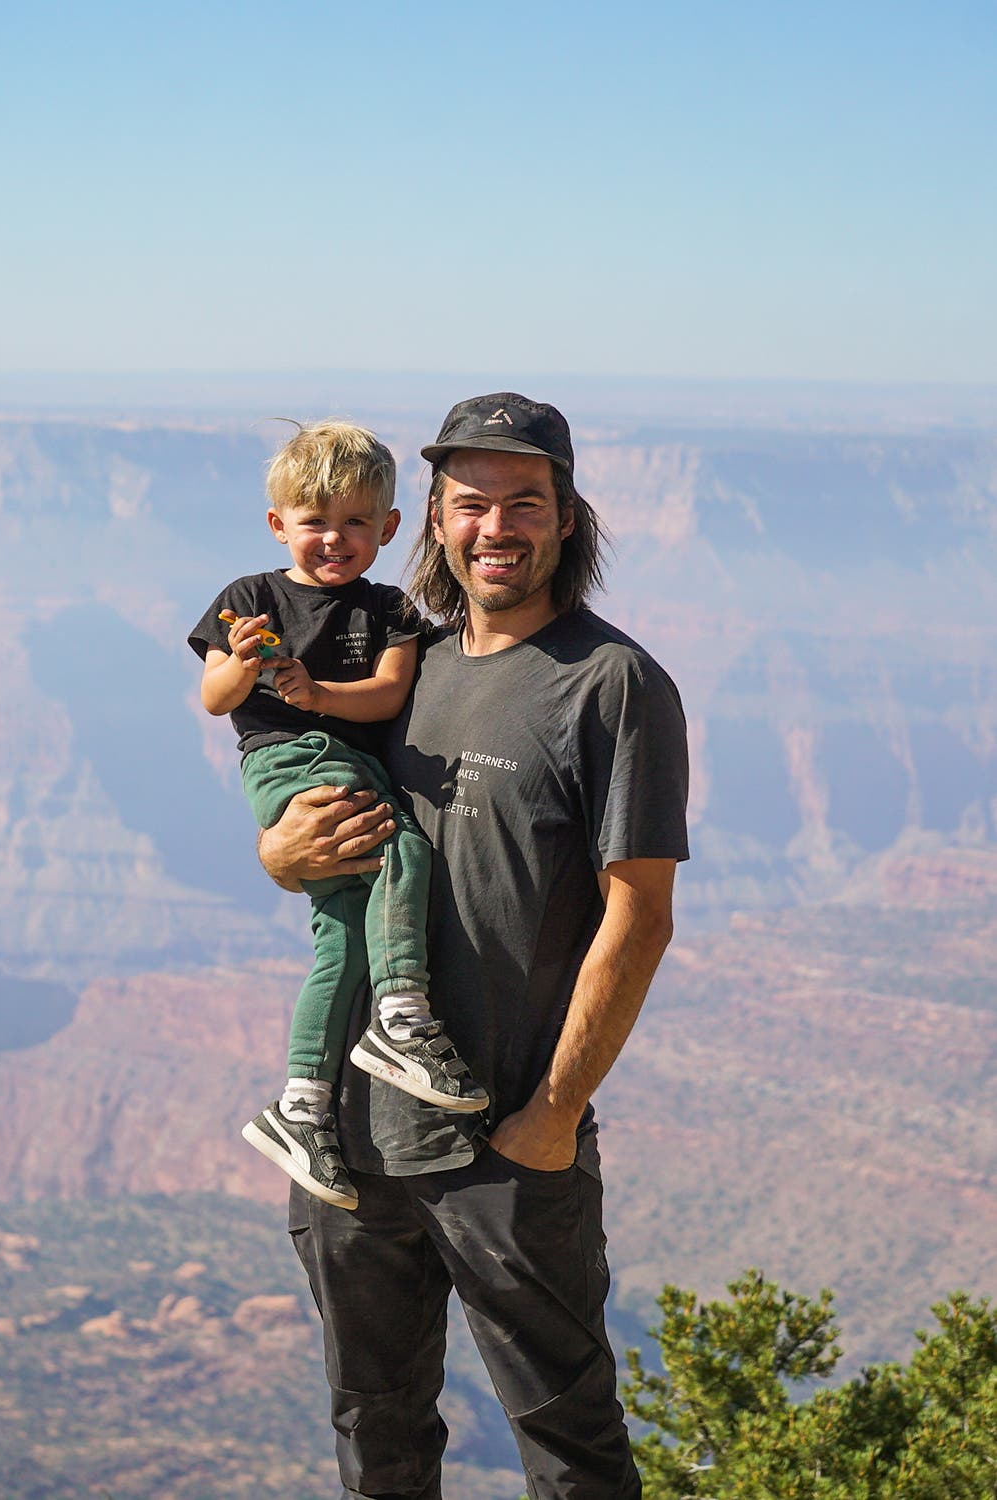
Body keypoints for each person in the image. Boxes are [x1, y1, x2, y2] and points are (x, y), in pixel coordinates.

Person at [257, 393, 689, 1500]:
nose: (497, 528)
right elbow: (317, 823)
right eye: (471, 505)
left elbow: (637, 914)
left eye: (524, 504)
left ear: (566, 518)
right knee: (378, 1430)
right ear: (434, 523)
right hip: (351, 1144)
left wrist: (549, 1118)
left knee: (569, 1442)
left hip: (502, 1139)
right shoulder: (404, 663)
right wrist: (280, 855)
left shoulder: (612, 685)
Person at [188, 420, 488, 1214]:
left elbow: (389, 690)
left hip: (332, 741)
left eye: (357, 522)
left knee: (341, 946)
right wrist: (247, 663)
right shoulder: (248, 600)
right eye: (315, 521)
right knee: (403, 854)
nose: (335, 539)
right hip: (291, 762)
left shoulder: (389, 608)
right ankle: (402, 1015)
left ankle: (303, 1105)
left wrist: (318, 693)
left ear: (389, 529)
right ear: (278, 524)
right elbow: (215, 699)